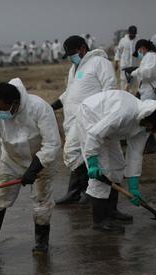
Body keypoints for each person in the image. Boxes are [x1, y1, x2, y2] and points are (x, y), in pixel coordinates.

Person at [0, 78, 61, 256]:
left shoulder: (39, 108)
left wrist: (33, 170)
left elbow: (52, 144)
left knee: (41, 201)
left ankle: (41, 243)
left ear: (15, 103)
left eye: (2, 109)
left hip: (42, 161)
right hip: (12, 161)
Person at [75, 90, 156, 233]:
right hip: (91, 118)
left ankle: (111, 211)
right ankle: (100, 221)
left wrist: (134, 187)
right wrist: (92, 160)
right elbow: (95, 134)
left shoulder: (145, 126)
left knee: (117, 166)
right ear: (150, 119)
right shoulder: (125, 114)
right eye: (152, 129)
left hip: (108, 128)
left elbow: (135, 154)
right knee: (102, 173)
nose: (150, 132)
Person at [51, 36, 120, 212]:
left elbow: (110, 88)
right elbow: (69, 93)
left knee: (81, 154)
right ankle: (80, 191)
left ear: (82, 48)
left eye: (72, 53)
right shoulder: (74, 68)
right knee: (74, 155)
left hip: (91, 119)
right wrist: (51, 107)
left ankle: (94, 193)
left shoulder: (99, 62)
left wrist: (106, 118)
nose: (70, 57)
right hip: (73, 121)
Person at [128, 39, 156, 154]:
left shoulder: (150, 56)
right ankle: (149, 143)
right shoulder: (152, 57)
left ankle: (150, 144)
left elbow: (147, 73)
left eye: (139, 51)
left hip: (150, 92)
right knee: (146, 117)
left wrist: (134, 72)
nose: (139, 54)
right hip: (147, 91)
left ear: (143, 48)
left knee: (146, 117)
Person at [114, 25, 139, 91]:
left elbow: (141, 53)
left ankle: (130, 97)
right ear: (128, 33)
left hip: (134, 65)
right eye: (131, 33)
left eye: (134, 34)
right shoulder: (123, 40)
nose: (132, 35)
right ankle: (123, 95)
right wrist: (116, 62)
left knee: (132, 82)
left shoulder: (138, 41)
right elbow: (118, 51)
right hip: (124, 64)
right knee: (123, 81)